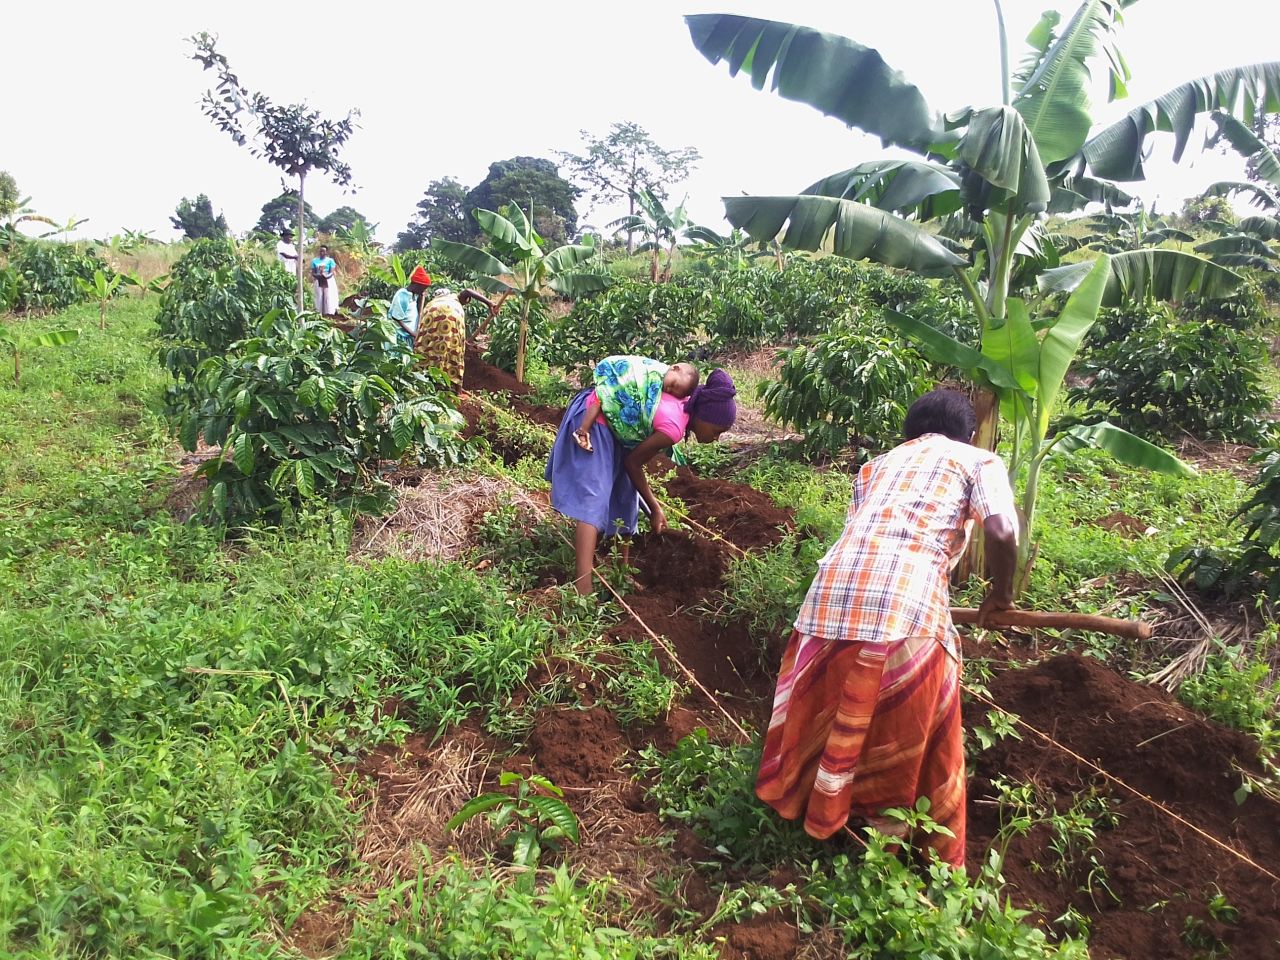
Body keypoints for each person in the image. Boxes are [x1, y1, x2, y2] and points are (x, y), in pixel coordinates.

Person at [754, 388, 1018, 869]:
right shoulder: (979, 461)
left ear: (909, 432)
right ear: (970, 432)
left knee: (833, 713)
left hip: (828, 600)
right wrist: (1000, 596)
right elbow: (1001, 531)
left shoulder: (875, 466)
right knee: (904, 726)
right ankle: (883, 851)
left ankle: (821, 814)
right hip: (905, 607)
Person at [545, 357, 739, 595]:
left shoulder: (685, 401)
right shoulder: (674, 427)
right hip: (596, 418)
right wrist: (655, 507)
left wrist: (648, 506)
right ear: (705, 416)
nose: (716, 438)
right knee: (593, 498)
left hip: (616, 428)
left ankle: (621, 573)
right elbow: (633, 463)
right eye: (717, 431)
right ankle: (582, 588)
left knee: (626, 498)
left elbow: (631, 467)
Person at [574, 361, 700, 453]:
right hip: (613, 382)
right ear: (675, 368)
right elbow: (631, 372)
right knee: (602, 395)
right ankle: (583, 430)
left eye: (672, 392)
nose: (668, 389)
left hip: (611, 407)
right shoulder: (651, 371)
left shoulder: (659, 388)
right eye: (673, 384)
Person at [418, 285, 495, 391]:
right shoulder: (455, 299)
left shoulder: (431, 304)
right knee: (456, 352)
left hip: (432, 317)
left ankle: (421, 381)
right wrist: (489, 303)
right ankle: (457, 389)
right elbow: (468, 291)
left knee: (429, 348)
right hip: (454, 316)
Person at [388, 266, 433, 348]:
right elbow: (397, 319)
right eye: (422, 288)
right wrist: (414, 334)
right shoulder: (402, 295)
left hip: (409, 337)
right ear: (416, 285)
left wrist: (422, 297)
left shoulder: (414, 295)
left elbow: (418, 311)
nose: (423, 291)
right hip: (400, 337)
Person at [310, 245, 339, 316]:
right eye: (320, 251)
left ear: (326, 252)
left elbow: (331, 272)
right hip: (319, 279)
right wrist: (319, 276)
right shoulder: (314, 261)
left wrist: (326, 277)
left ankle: (329, 313)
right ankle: (319, 312)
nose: (321, 253)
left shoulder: (330, 260)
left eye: (323, 251)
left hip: (328, 280)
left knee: (328, 296)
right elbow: (313, 272)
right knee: (319, 296)